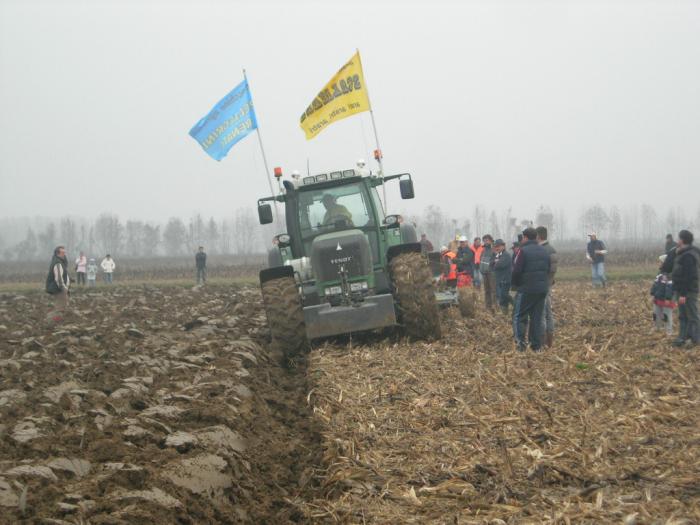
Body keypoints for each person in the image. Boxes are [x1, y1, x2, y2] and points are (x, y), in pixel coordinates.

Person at [511, 228, 551, 352]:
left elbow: (516, 271)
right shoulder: (544, 251)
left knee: (519, 317)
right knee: (537, 318)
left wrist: (517, 285)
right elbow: (548, 269)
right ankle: (536, 346)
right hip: (542, 289)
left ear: (526, 237)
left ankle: (521, 345)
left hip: (527, 289)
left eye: (523, 237)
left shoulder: (523, 251)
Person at [669, 230, 699, 348]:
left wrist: (683, 294)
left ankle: (695, 339)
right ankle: (682, 337)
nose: (677, 240)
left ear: (682, 240)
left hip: (688, 291)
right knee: (683, 315)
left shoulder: (689, 256)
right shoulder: (682, 253)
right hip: (682, 290)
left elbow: (689, 276)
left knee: (692, 315)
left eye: (679, 238)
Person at [536, 226, 558, 347]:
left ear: (539, 236)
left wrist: (544, 282)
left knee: (542, 314)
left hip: (543, 285)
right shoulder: (551, 249)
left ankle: (543, 341)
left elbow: (551, 270)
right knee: (548, 313)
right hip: (547, 284)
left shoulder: (544, 250)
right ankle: (549, 341)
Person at [650, 270, 675, 336]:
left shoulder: (670, 274)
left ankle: (669, 331)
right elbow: (655, 284)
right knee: (655, 314)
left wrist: (668, 298)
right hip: (658, 298)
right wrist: (652, 294)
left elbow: (670, 287)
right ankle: (657, 327)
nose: (660, 263)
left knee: (666, 316)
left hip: (667, 300)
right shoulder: (660, 274)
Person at [45, 246, 70, 311]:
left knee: (63, 307)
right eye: (63, 252)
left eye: (64, 252)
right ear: (58, 253)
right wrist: (64, 289)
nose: (64, 254)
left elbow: (62, 274)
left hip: (60, 289)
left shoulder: (59, 262)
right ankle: (54, 320)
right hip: (59, 290)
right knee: (60, 308)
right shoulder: (57, 263)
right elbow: (58, 278)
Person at [493, 239, 513, 314]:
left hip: (505, 278)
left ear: (503, 246)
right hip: (500, 278)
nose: (496, 248)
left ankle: (515, 304)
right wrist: (495, 263)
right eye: (496, 246)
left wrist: (496, 263)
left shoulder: (506, 255)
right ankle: (504, 311)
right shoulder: (498, 254)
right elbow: (492, 263)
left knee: (504, 295)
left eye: (498, 246)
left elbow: (499, 265)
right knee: (502, 296)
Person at [480, 235, 496, 310]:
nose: (485, 242)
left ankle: (495, 306)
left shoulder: (494, 249)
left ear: (490, 240)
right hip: (485, 273)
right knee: (487, 290)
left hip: (492, 273)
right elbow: (481, 260)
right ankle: (488, 307)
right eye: (484, 240)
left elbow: (497, 260)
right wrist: (481, 269)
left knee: (493, 290)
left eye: (487, 240)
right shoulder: (483, 250)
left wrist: (491, 263)